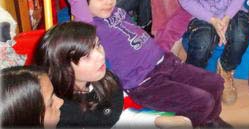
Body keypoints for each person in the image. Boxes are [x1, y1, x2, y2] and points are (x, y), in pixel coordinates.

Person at [29, 0, 228, 127]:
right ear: (83, 3)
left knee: (215, 83)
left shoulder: (111, 9)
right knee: (202, 101)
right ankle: (203, 121)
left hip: (164, 62)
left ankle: (210, 119)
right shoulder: (87, 25)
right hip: (144, 82)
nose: (109, 1)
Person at [36, 21, 191, 127]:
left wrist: (157, 121)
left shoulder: (104, 79)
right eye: (86, 56)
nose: (100, 55)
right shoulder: (59, 113)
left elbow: (114, 118)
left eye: (97, 45)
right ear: (64, 68)